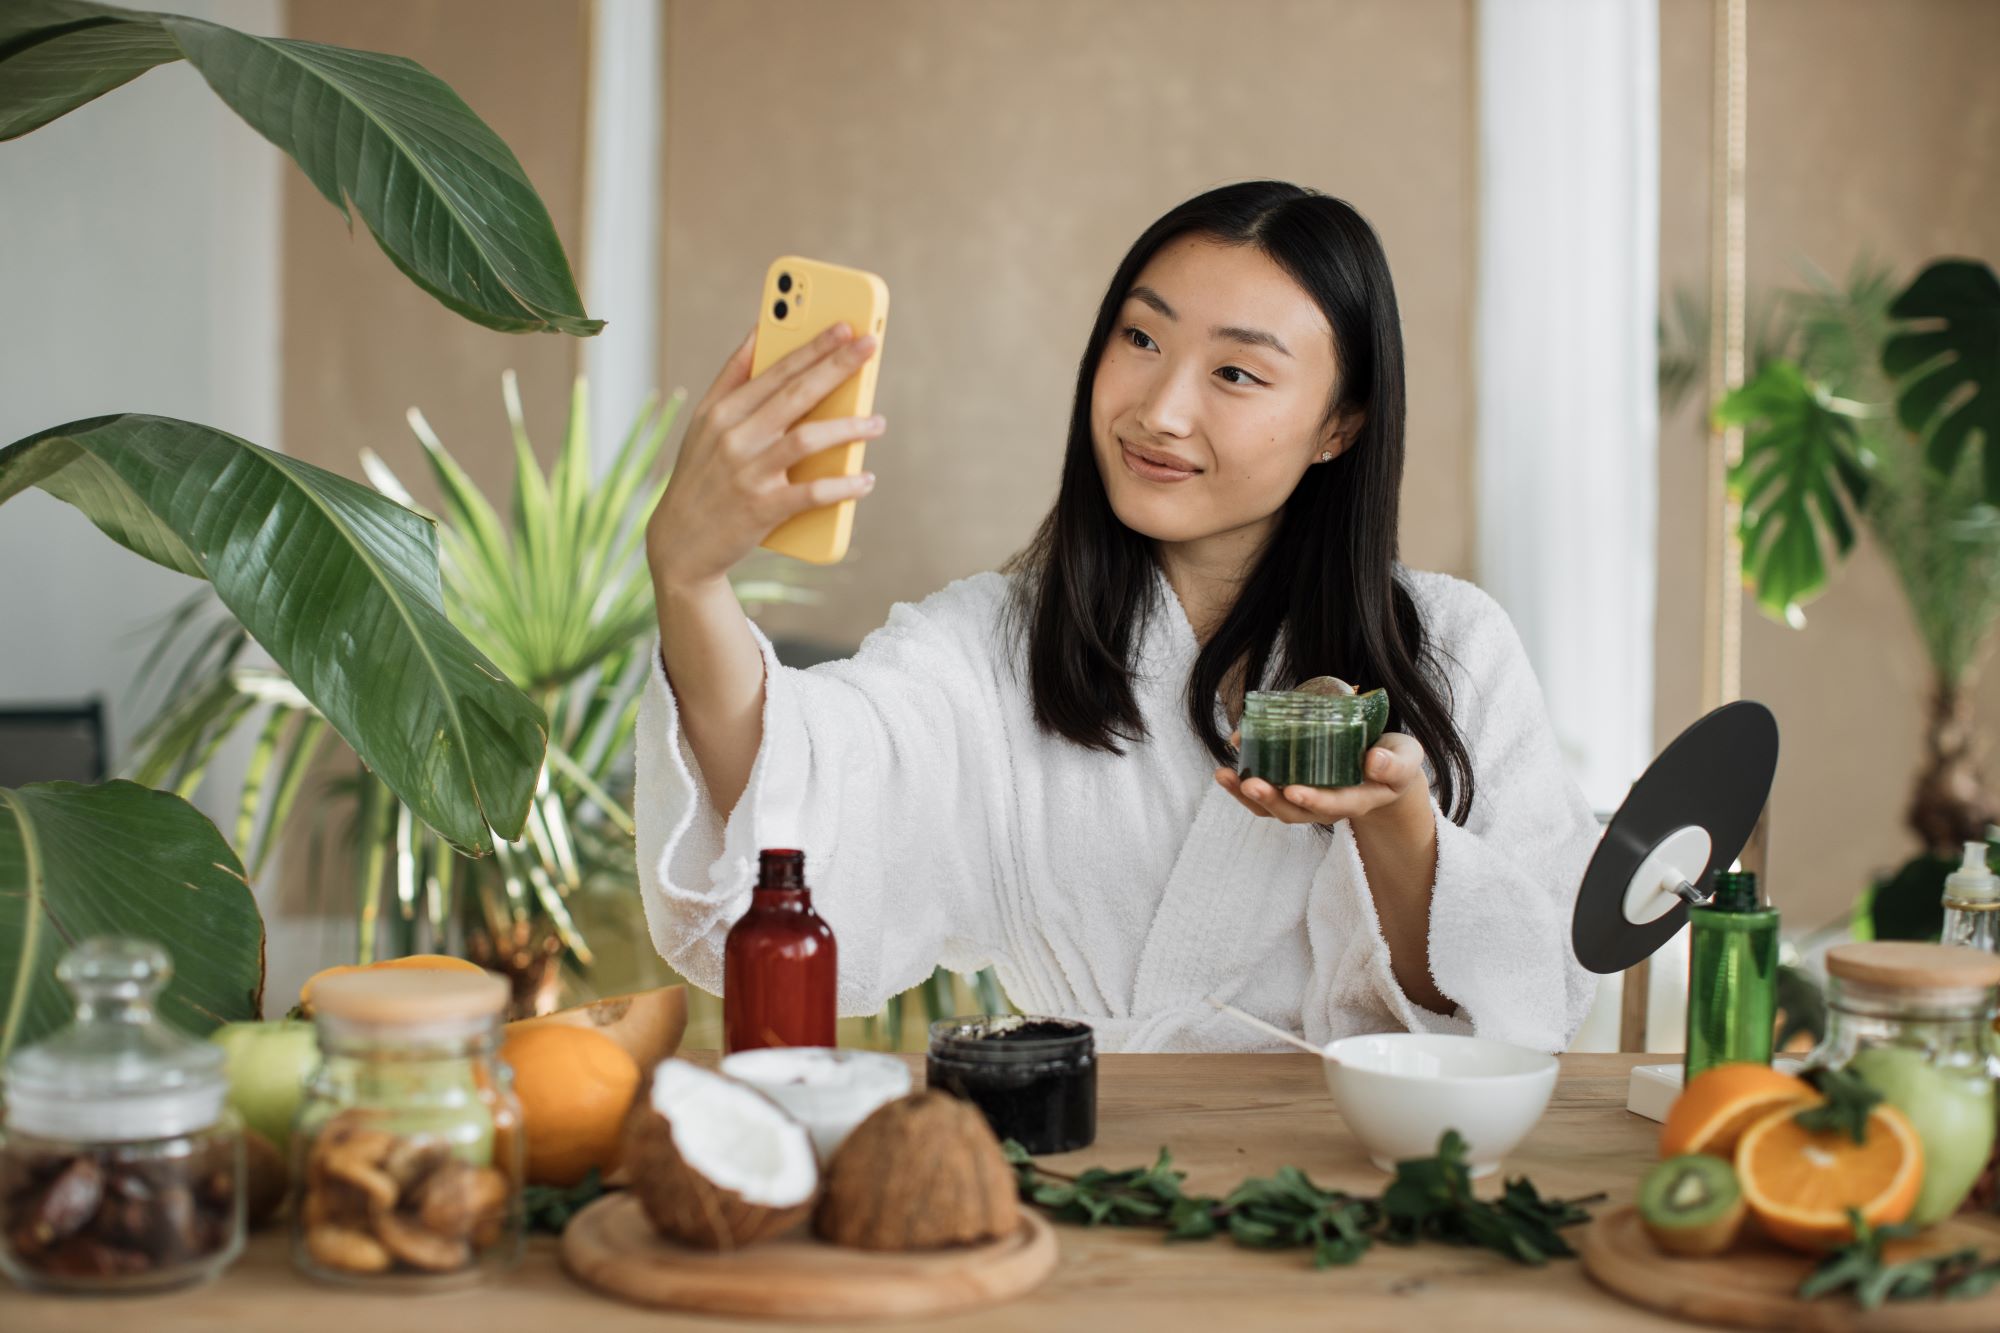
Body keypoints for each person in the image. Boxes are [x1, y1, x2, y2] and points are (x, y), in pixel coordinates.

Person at [637, 180, 1600, 1053]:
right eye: (1141, 339)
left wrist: (1400, 828)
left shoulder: (1455, 648)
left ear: (1339, 426)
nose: (1162, 410)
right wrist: (689, 582)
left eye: (1236, 374)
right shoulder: (992, 648)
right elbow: (791, 806)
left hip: (1375, 1179)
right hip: (1095, 1162)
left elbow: (1519, 1009)